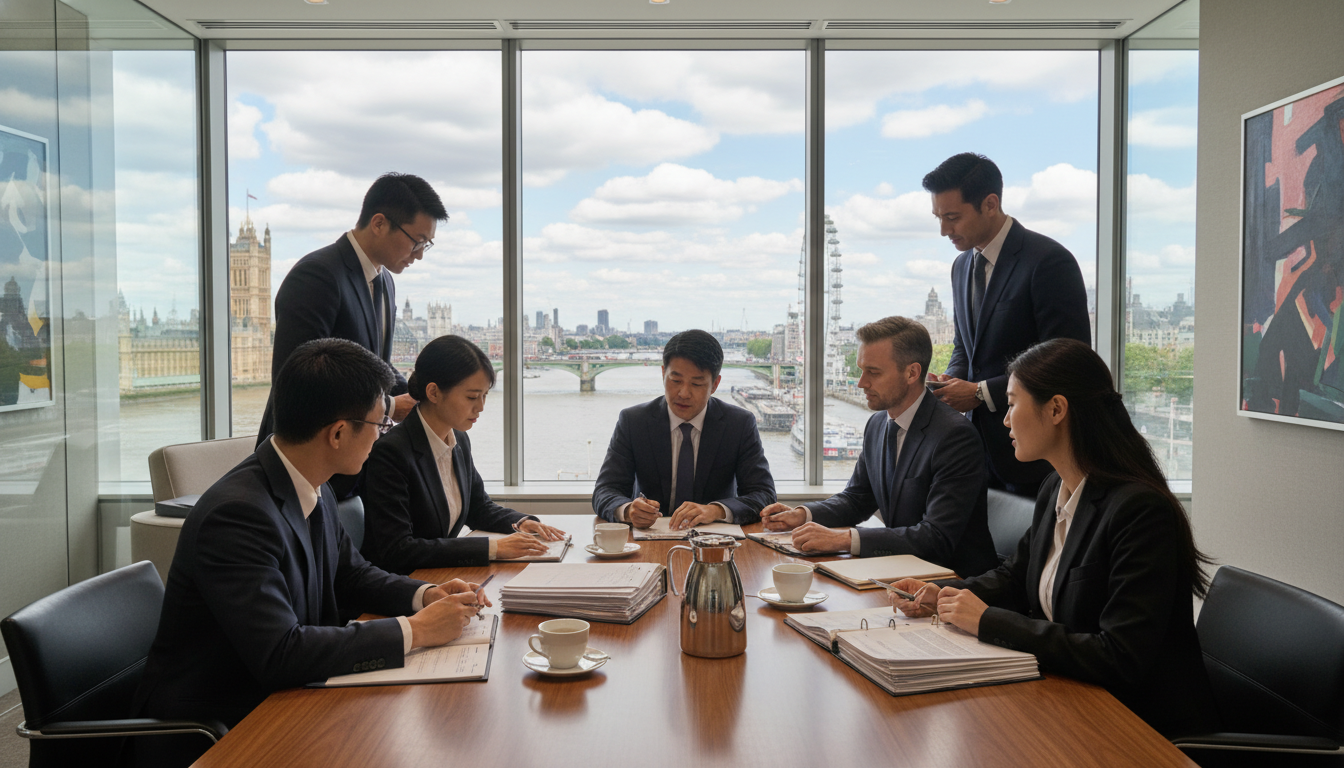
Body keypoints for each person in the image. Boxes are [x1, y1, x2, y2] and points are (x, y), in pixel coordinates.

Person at [133, 339, 486, 765]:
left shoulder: (307, 482)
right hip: (223, 729)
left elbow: (353, 574)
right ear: (338, 433)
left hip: (289, 700)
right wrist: (418, 631)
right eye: (380, 424)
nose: (382, 436)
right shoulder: (238, 515)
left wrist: (427, 594)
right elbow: (280, 653)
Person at [887, 338, 1217, 738]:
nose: (1005, 420)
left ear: (1057, 409)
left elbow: (1120, 656)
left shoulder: (1140, 512)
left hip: (1136, 727)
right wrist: (943, 594)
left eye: (1012, 403)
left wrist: (988, 621)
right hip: (1070, 701)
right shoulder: (1054, 488)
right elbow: (1014, 576)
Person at [758, 317, 998, 579]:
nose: (861, 383)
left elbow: (935, 537)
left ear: (912, 373)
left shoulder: (955, 436)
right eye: (861, 370)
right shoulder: (877, 424)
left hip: (953, 584)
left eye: (873, 372)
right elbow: (857, 499)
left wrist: (842, 539)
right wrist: (803, 514)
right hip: (900, 574)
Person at [923, 153, 1091, 496]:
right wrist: (950, 381)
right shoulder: (960, 267)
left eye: (952, 217)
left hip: (1035, 458)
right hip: (974, 455)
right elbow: (965, 346)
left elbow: (1068, 359)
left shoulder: (1048, 261)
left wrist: (980, 393)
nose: (943, 230)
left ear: (990, 203)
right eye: (938, 218)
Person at [256, 173, 448, 464]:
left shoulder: (385, 281)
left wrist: (423, 398)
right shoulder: (316, 275)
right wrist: (389, 406)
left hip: (355, 458)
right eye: (417, 242)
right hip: (306, 459)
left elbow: (375, 363)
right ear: (379, 223)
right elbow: (295, 378)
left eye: (427, 245)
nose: (419, 255)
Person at [361, 335, 567, 574]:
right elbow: (398, 549)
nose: (480, 407)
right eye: (472, 397)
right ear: (434, 393)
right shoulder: (391, 452)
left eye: (485, 396)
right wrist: (493, 548)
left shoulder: (459, 438)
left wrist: (521, 522)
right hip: (403, 586)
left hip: (440, 576)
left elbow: (478, 507)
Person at [592, 329, 776, 528]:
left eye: (697, 384)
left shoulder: (739, 424)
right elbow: (605, 491)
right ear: (663, 374)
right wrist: (628, 510)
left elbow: (764, 495)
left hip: (714, 542)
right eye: (675, 380)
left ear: (715, 384)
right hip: (649, 540)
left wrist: (715, 510)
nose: (683, 393)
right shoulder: (634, 421)